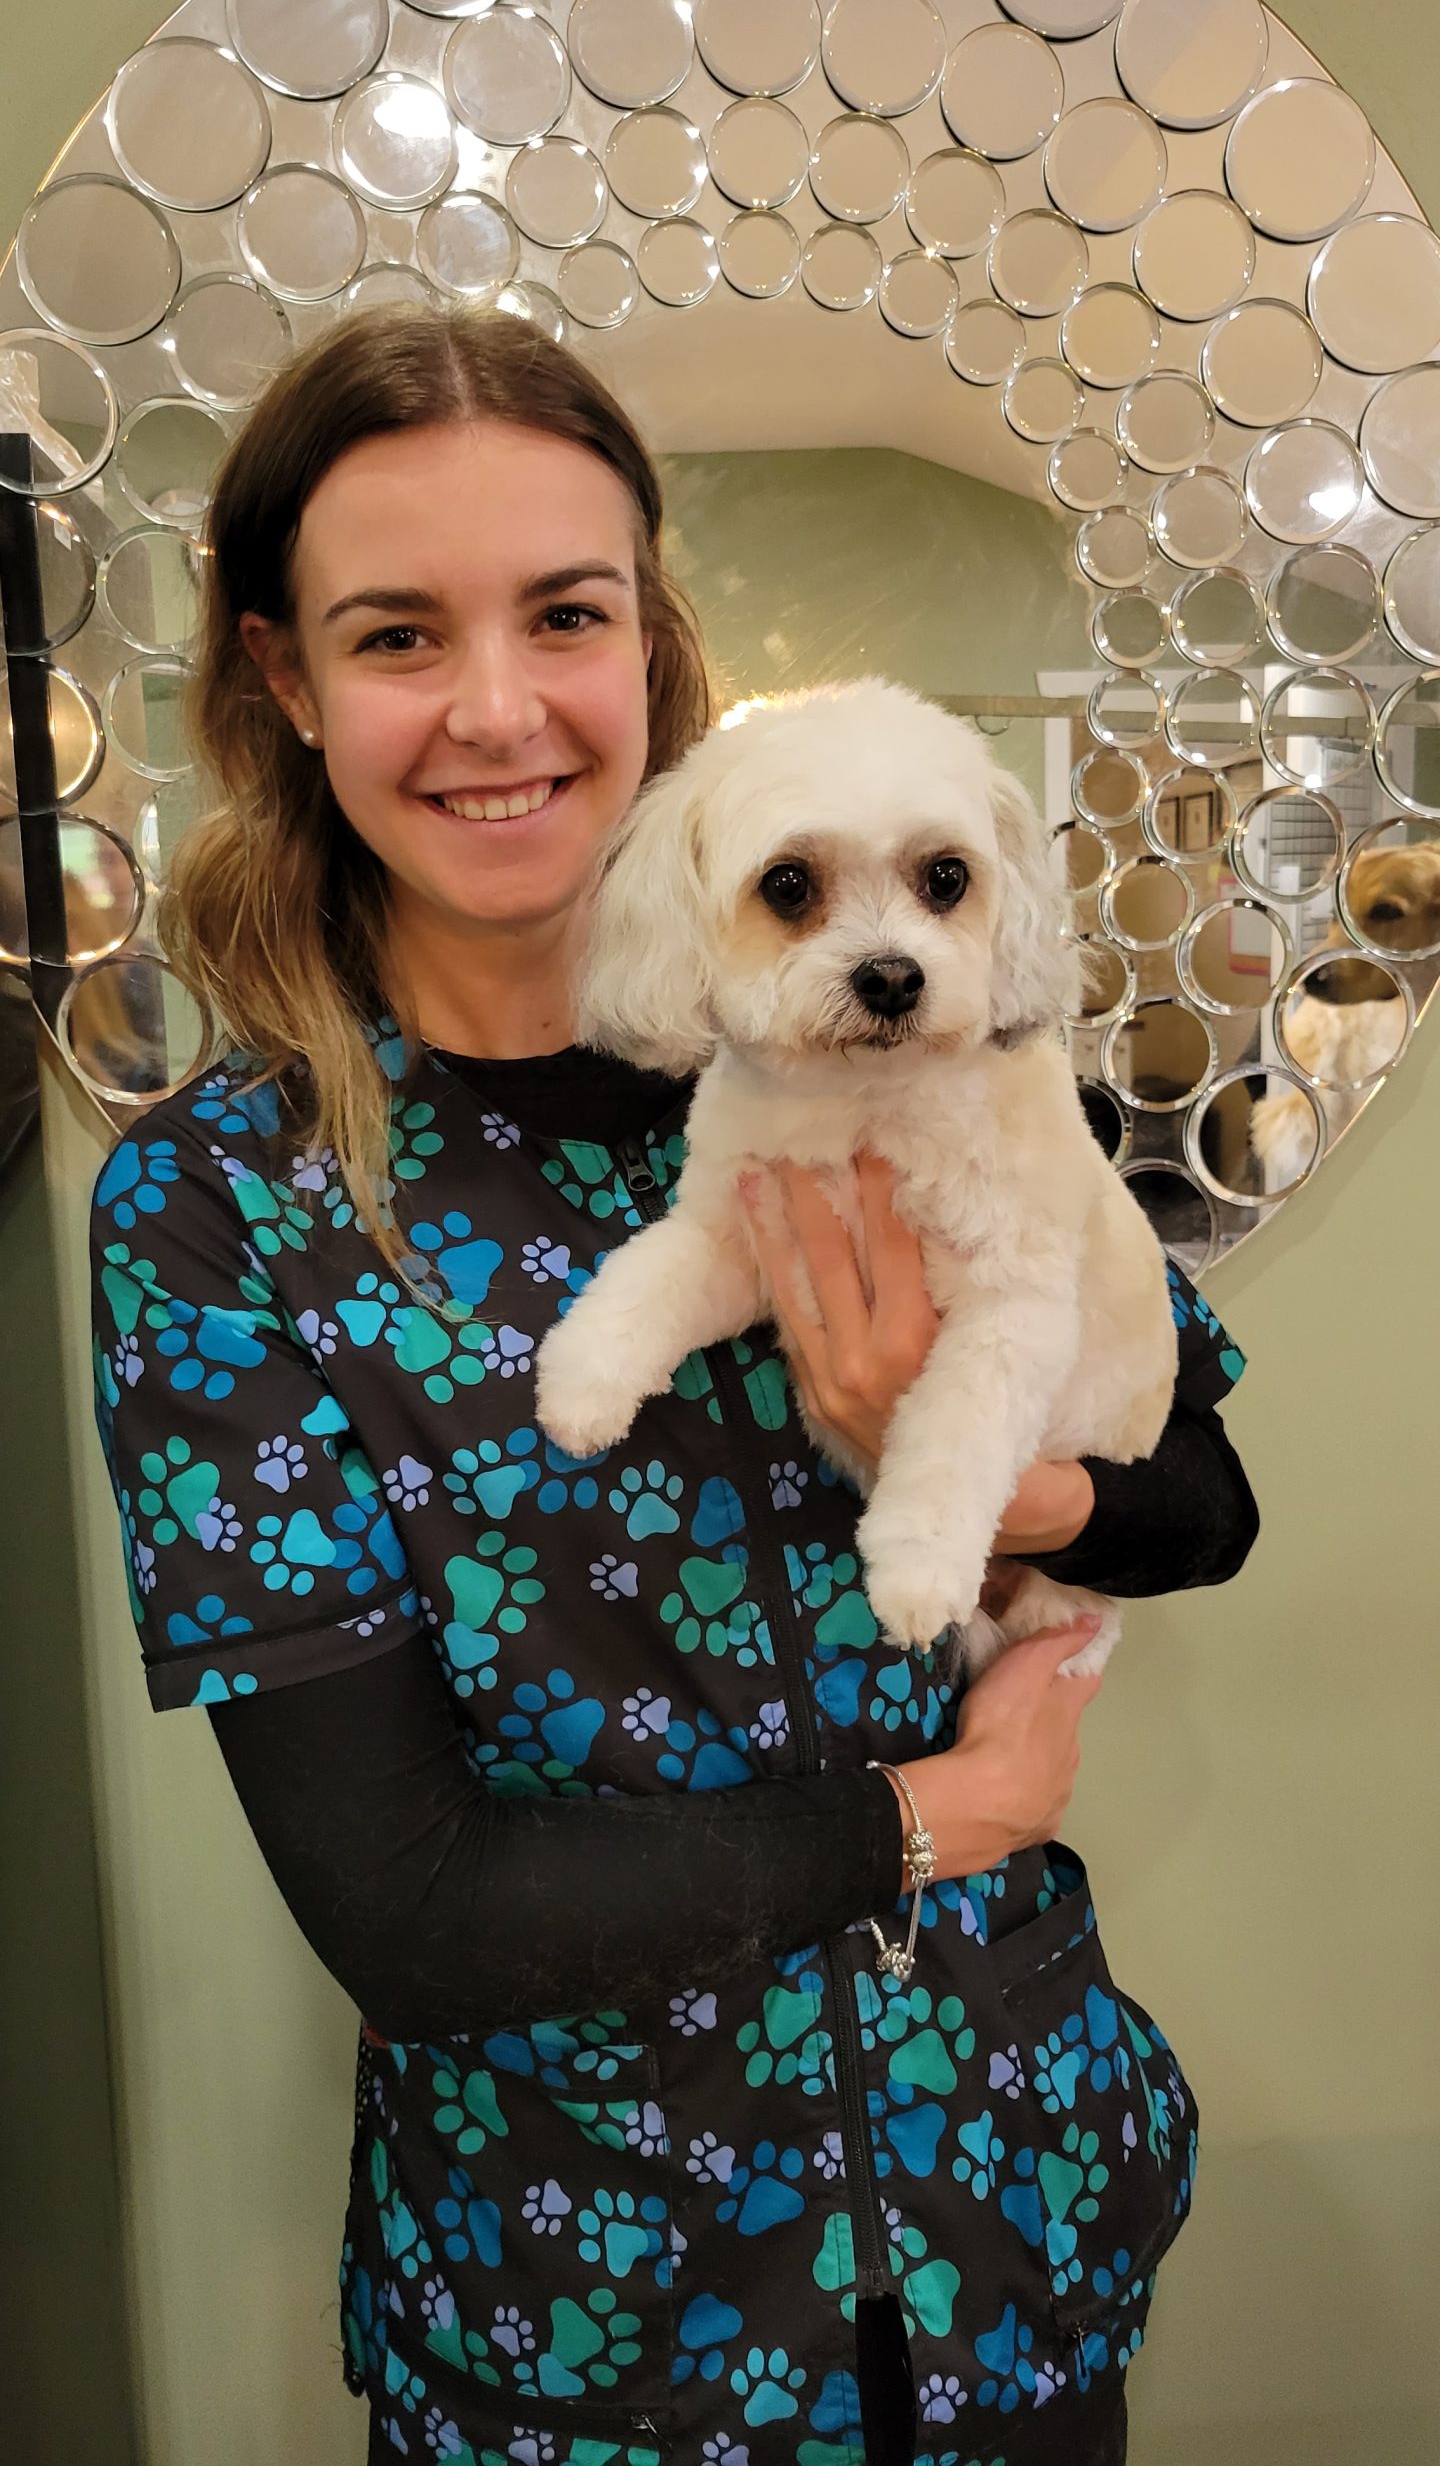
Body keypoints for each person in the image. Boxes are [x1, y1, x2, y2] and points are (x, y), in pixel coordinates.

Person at [90, 307, 1256, 2466]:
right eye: (397, 633)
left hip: (1008, 2216)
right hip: (595, 2323)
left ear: (651, 639)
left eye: (566, 614)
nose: (499, 707)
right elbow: (411, 1911)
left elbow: (1207, 1498)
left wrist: (997, 1484)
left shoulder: (910, 1053)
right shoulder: (223, 1211)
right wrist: (943, 1813)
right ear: (286, 678)